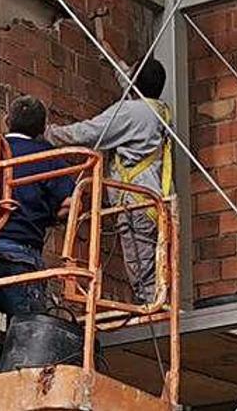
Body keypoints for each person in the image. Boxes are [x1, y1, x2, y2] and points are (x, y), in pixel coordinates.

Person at [45, 58, 172, 305]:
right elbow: (131, 80)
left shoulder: (130, 112)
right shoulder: (160, 110)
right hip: (153, 201)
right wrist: (111, 56)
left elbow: (88, 133)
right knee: (155, 268)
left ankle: (153, 318)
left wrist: (49, 133)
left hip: (134, 204)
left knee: (143, 275)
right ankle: (157, 307)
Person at [0, 95, 75, 316]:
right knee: (27, 333)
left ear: (7, 120)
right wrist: (52, 216)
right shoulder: (49, 157)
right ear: (43, 127)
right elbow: (72, 202)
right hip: (21, 257)